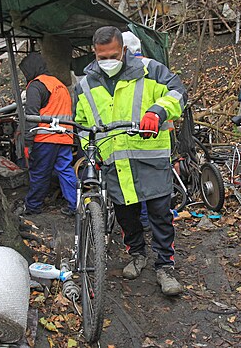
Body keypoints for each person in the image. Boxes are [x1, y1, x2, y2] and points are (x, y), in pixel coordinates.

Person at [73, 26, 186, 296]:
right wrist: (91, 153)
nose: (108, 61)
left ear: (124, 50)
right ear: (94, 52)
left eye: (113, 54)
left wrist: (157, 112)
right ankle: (137, 254)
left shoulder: (150, 70)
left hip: (150, 159)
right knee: (127, 216)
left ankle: (165, 266)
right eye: (102, 57)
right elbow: (82, 124)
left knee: (160, 215)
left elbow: (178, 93)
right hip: (115, 165)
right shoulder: (85, 84)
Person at [19, 53, 77, 217]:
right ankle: (75, 205)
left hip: (45, 138)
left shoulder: (36, 86)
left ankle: (33, 206)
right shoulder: (58, 84)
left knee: (39, 173)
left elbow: (31, 116)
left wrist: (27, 141)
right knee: (65, 171)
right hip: (65, 136)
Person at [122, 31, 150, 232]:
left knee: (132, 186)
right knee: (150, 187)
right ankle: (147, 222)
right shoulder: (156, 66)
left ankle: (139, 223)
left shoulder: (124, 71)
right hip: (154, 141)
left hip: (131, 138)